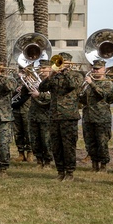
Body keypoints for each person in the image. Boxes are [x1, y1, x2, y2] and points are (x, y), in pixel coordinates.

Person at [38, 52, 85, 181]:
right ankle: (60, 171)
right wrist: (51, 75)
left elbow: (73, 85)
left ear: (68, 63)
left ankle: (70, 172)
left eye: (63, 62)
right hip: (54, 116)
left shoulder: (77, 75)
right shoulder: (55, 76)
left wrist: (65, 72)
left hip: (68, 116)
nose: (59, 65)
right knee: (56, 146)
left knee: (68, 146)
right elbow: (41, 88)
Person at [80, 59, 113, 172]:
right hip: (88, 117)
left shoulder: (107, 83)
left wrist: (91, 83)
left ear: (104, 70)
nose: (95, 70)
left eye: (98, 68)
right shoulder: (89, 83)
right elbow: (83, 100)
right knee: (90, 143)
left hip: (101, 118)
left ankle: (103, 166)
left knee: (102, 143)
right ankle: (94, 165)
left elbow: (102, 95)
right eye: (94, 68)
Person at [27, 60, 54, 168]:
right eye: (40, 68)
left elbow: (53, 97)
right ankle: (38, 160)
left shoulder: (52, 81)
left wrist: (39, 95)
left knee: (46, 140)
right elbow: (26, 93)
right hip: (34, 113)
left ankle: (47, 161)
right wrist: (25, 82)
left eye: (44, 68)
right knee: (35, 139)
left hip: (46, 115)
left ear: (50, 69)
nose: (41, 71)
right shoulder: (34, 80)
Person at [11, 67, 31, 162]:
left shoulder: (32, 79)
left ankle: (30, 153)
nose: (22, 72)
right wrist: (16, 90)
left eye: (24, 71)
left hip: (27, 109)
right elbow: (9, 93)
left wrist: (26, 85)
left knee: (28, 132)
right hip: (16, 110)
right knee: (18, 133)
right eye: (21, 70)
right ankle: (21, 153)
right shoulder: (14, 80)